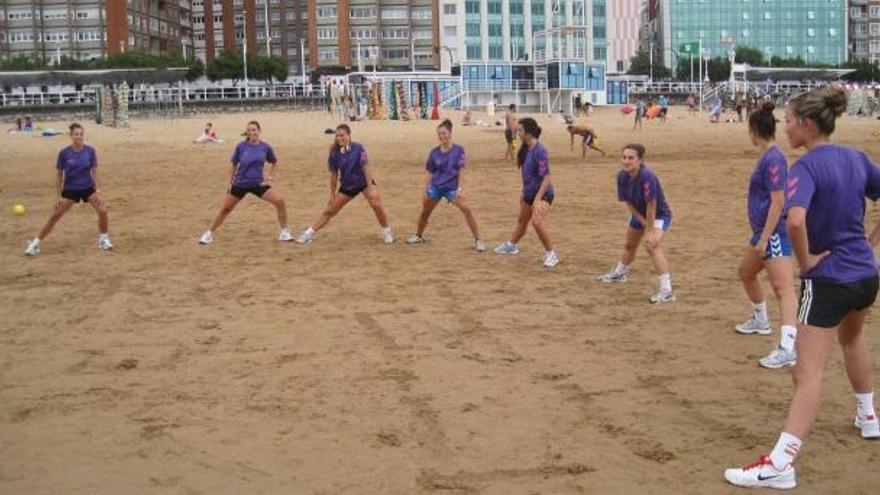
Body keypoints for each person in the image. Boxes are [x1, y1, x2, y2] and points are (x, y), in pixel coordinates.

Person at [724, 86, 880, 490]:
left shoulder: (806, 168)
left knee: (805, 372)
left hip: (829, 280)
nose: (786, 127)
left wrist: (807, 261)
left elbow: (794, 221)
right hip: (865, 275)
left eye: (790, 120)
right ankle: (868, 416)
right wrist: (869, 242)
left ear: (808, 124)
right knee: (853, 340)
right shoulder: (857, 157)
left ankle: (780, 463)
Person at [735, 102, 799, 369]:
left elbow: (778, 200)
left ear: (753, 130)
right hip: (763, 232)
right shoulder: (768, 156)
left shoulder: (773, 158)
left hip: (772, 234)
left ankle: (788, 346)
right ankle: (761, 320)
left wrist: (764, 238)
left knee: (784, 290)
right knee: (746, 273)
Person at [597, 144, 675, 303]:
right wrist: (641, 221)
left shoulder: (647, 177)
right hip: (639, 214)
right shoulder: (622, 176)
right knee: (629, 245)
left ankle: (667, 291)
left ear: (640, 160)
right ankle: (619, 274)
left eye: (631, 158)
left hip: (658, 215)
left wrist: (650, 229)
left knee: (651, 244)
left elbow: (652, 204)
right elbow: (628, 202)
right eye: (624, 157)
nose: (626, 161)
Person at [296, 124, 394, 244]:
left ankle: (387, 231)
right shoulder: (334, 153)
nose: (339, 138)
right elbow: (334, 175)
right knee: (330, 210)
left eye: (342, 135)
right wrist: (332, 194)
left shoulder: (358, 148)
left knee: (376, 203)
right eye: (337, 136)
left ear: (349, 135)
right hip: (348, 185)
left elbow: (366, 166)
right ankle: (309, 233)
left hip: (363, 182)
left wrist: (371, 187)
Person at [25, 123, 113, 256]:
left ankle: (103, 239)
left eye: (81, 134)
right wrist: (58, 196)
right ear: (71, 136)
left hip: (87, 188)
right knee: (54, 216)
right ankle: (35, 243)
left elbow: (95, 171)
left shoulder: (90, 151)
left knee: (103, 210)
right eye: (76, 134)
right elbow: (59, 175)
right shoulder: (64, 153)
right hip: (70, 189)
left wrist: (98, 190)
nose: (79, 137)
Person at [198, 121, 291, 244]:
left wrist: (270, 177)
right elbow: (233, 165)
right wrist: (231, 182)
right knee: (225, 209)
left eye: (254, 130)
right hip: (240, 183)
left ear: (259, 131)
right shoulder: (241, 146)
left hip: (258, 183)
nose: (252, 132)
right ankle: (209, 233)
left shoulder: (265, 147)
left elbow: (274, 162)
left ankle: (284, 232)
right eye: (249, 130)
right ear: (247, 132)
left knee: (280, 201)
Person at [405, 119, 485, 251]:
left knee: (467, 210)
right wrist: (425, 191)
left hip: (452, 189)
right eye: (439, 134)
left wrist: (460, 188)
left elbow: (461, 170)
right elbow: (429, 173)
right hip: (436, 188)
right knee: (425, 212)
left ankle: (478, 239)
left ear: (450, 132)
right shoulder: (434, 152)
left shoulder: (459, 150)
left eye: (444, 133)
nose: (442, 136)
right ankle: (418, 235)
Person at [493, 118, 560, 268]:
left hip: (544, 194)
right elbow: (527, 174)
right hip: (528, 194)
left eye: (521, 131)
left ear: (529, 133)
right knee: (522, 221)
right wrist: (524, 193)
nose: (518, 133)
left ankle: (551, 254)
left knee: (536, 222)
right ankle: (512, 245)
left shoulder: (540, 151)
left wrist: (537, 199)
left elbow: (547, 178)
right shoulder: (525, 148)